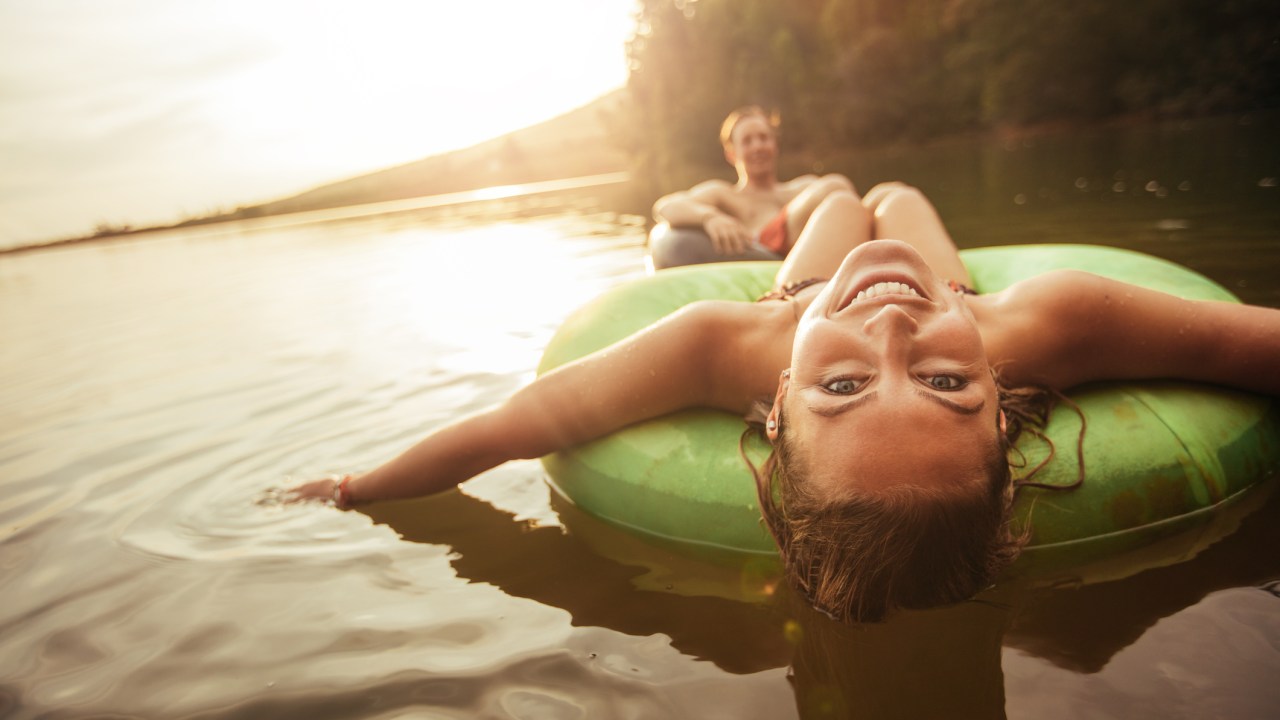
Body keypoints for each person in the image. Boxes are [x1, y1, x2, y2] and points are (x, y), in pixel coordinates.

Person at [287, 182, 1280, 623]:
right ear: (1000, 402)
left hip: (804, 297)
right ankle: (813, 198)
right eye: (945, 385)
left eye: (841, 389)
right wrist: (931, 322)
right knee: (884, 193)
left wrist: (353, 487)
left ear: (773, 409)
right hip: (956, 291)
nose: (892, 339)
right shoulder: (1048, 325)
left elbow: (510, 426)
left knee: (848, 201)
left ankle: (805, 209)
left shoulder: (720, 346)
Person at [648, 105, 855, 269]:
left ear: (775, 145)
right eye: (747, 141)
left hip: (820, 246)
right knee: (835, 186)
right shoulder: (724, 194)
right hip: (769, 252)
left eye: (763, 138)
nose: (757, 146)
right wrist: (710, 217)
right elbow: (665, 206)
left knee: (883, 196)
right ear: (731, 153)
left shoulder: (803, 187)